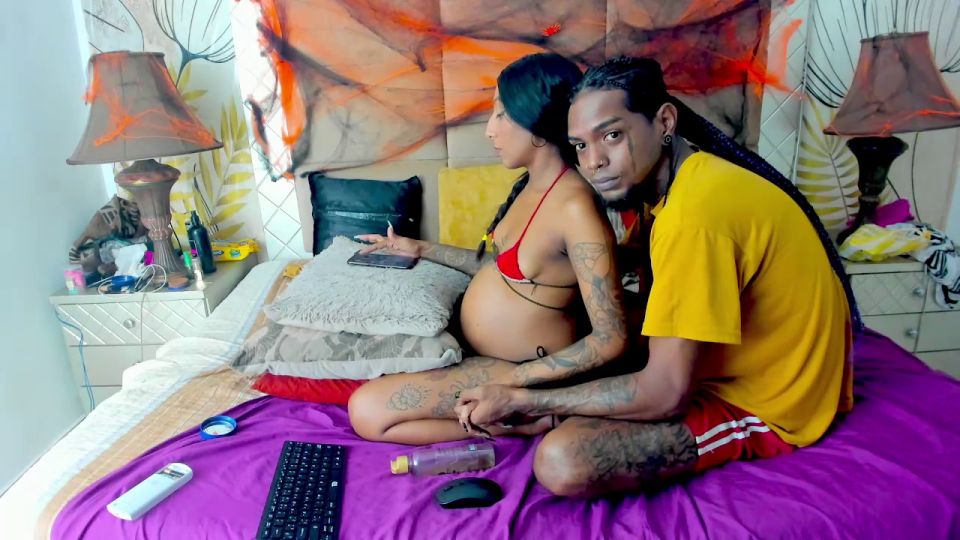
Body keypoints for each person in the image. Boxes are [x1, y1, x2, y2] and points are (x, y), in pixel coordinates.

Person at [454, 56, 860, 497]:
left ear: (664, 121)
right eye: (580, 146)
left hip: (766, 400)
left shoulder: (694, 218)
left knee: (563, 459)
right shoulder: (679, 184)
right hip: (716, 364)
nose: (594, 162)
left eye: (612, 135)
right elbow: (633, 268)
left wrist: (525, 398)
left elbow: (665, 394)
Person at [348, 53, 630, 445]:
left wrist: (512, 382)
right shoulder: (531, 185)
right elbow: (496, 268)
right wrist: (420, 247)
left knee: (366, 411)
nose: (489, 131)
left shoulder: (574, 208)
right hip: (487, 357)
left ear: (535, 120)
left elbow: (612, 338)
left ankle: (530, 421)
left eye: (501, 115)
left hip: (525, 367)